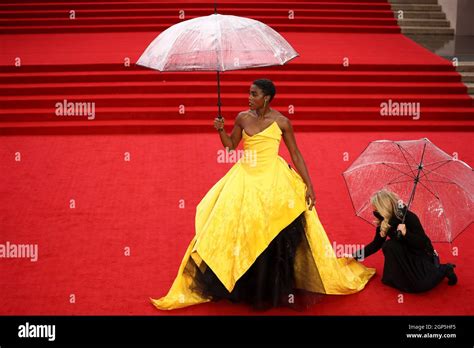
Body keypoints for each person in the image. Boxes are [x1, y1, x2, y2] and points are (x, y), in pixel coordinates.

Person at [151, 79, 375, 311]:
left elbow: (295, 154)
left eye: (253, 94)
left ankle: (271, 285)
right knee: (243, 229)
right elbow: (230, 147)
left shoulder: (282, 122)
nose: (249, 98)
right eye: (249, 93)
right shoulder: (242, 118)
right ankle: (241, 280)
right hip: (245, 180)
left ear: (266, 97)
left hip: (274, 182)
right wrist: (220, 130)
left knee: (272, 232)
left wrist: (309, 184)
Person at [352, 189, 457, 293]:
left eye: (375, 209)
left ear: (383, 207)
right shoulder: (384, 222)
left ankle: (445, 269)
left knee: (421, 286)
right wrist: (354, 256)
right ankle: (399, 277)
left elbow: (422, 243)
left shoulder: (409, 217)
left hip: (420, 254)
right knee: (389, 245)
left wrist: (406, 234)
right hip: (405, 254)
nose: (374, 211)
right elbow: (376, 244)